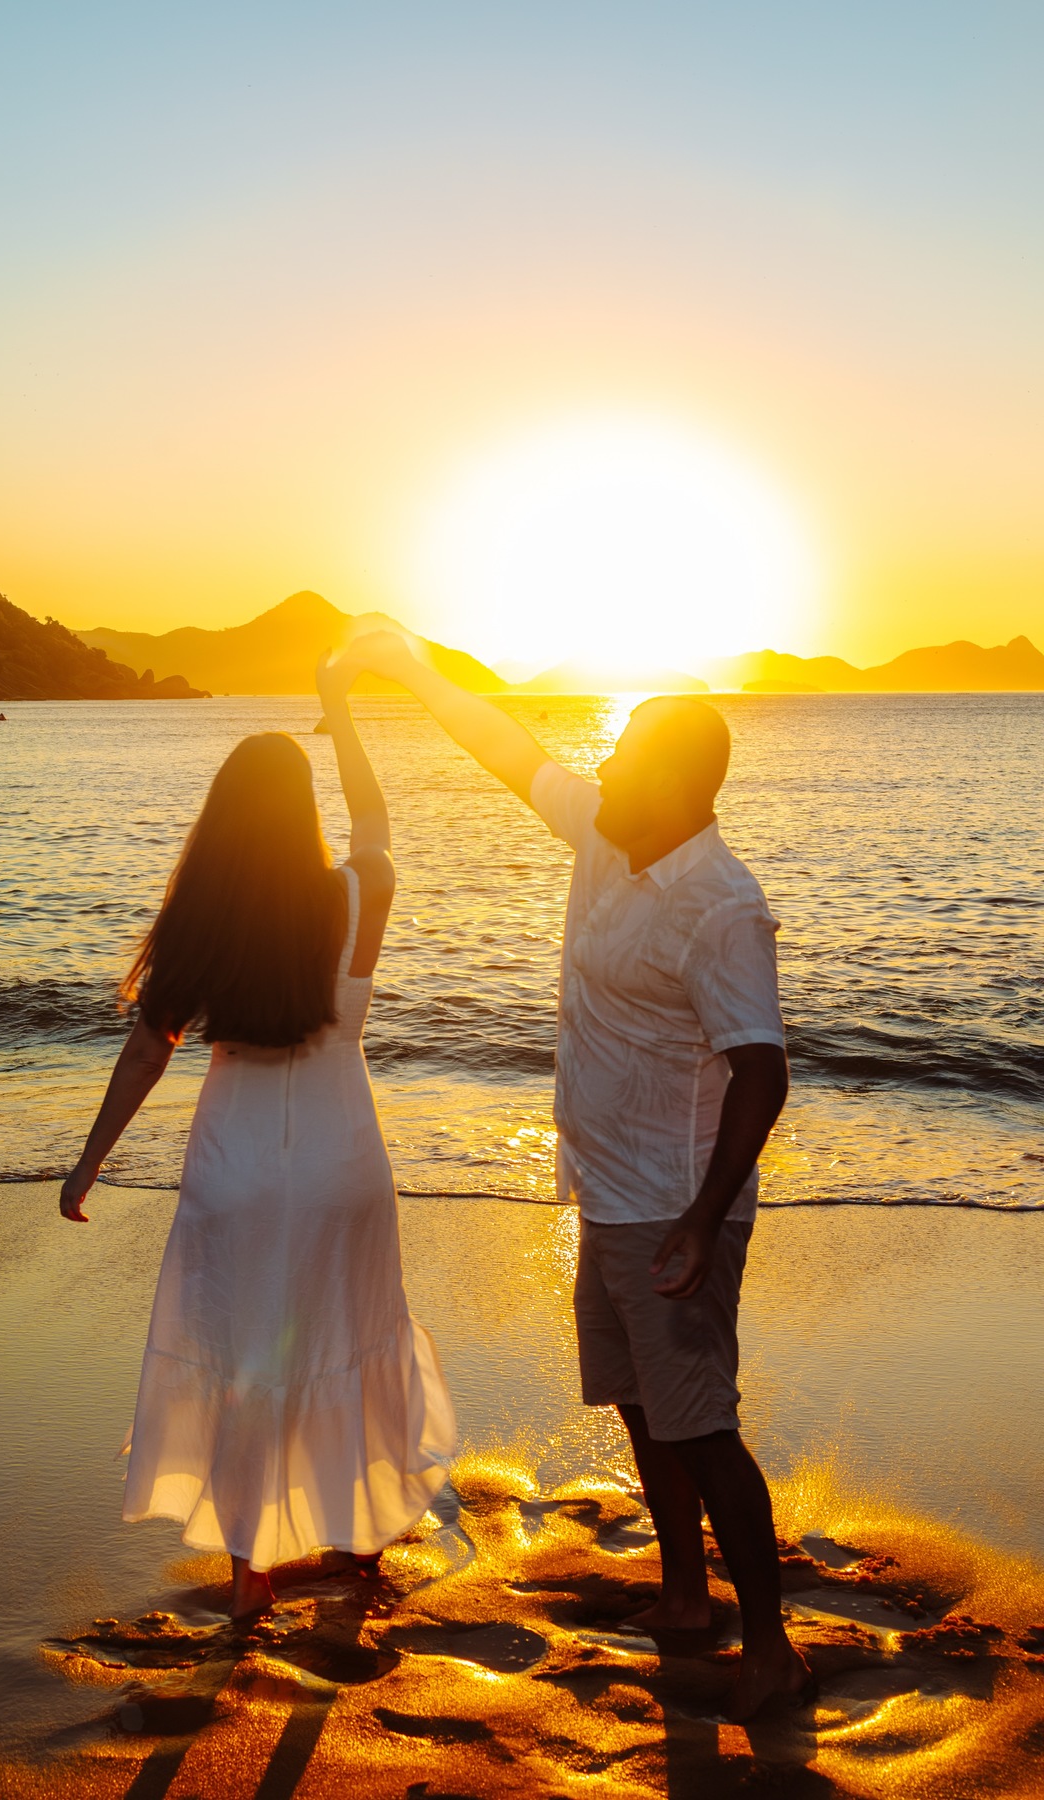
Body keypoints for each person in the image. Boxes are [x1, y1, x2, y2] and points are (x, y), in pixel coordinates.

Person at [346, 631, 812, 1720]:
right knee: (646, 1409)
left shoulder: (721, 906)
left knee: (701, 1419)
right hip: (605, 1190)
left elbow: (761, 1071)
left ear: (681, 789)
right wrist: (410, 672)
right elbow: (505, 751)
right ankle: (689, 1601)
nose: (602, 771)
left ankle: (776, 1649)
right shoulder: (608, 836)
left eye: (628, 758)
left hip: (672, 1207)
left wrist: (702, 1221)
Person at [59, 653, 455, 1627]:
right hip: (342, 1160)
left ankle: (248, 1573)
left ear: (223, 820)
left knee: (242, 1358)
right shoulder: (357, 893)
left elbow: (149, 1052)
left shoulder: (207, 921)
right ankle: (358, 1539)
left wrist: (91, 1160)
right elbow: (376, 825)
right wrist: (341, 715)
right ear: (302, 811)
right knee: (352, 1338)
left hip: (235, 1166)